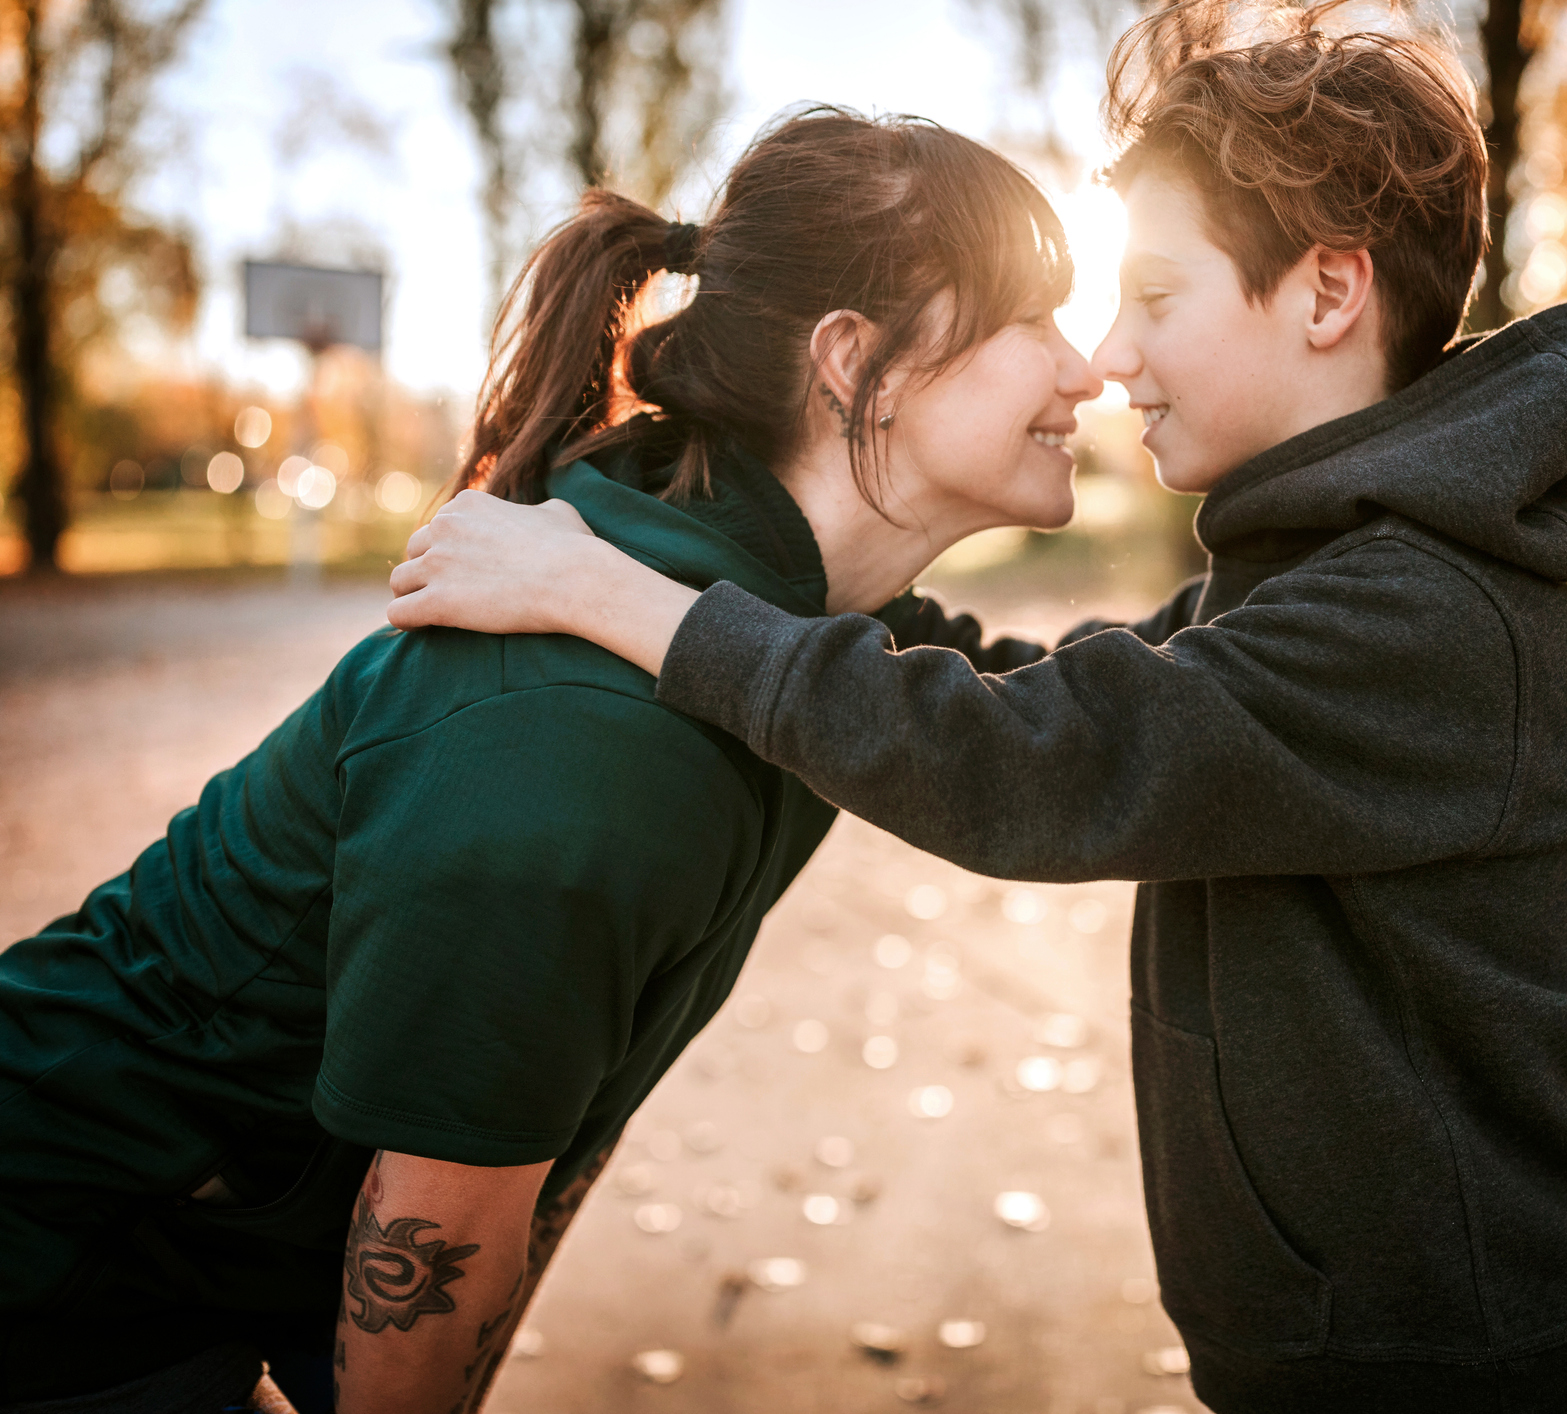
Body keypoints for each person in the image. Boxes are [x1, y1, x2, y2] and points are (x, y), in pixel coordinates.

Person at [386, 6, 1567, 1413]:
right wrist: (799, 576)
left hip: (1519, 1372)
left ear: (1328, 295)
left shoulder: (1416, 618)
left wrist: (630, 603)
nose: (1109, 353)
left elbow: (1033, 762)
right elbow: (1045, 684)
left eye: (1153, 296)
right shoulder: (1330, 575)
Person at [0, 108, 1096, 1414]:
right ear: (857, 364)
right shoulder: (581, 747)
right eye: (1032, 319)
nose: (1082, 370)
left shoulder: (799, 632)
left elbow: (1109, 712)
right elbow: (438, 1230)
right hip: (58, 1291)